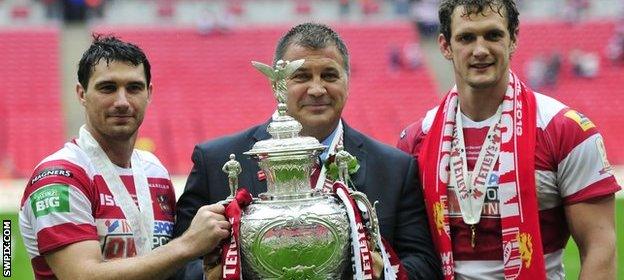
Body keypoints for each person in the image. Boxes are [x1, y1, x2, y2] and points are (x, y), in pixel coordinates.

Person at [174, 22, 442, 280]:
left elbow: (425, 265)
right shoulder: (216, 162)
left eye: (329, 75)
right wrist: (210, 276)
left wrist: (384, 270)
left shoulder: (395, 169)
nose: (317, 89)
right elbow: (179, 261)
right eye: (301, 76)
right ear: (276, 84)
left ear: (347, 81)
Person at [397, 1, 620, 279]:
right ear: (445, 46)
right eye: (466, 37)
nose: (480, 50)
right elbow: (406, 251)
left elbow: (600, 247)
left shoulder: (566, 130)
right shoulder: (416, 139)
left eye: (493, 35)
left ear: (513, 38)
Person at [18, 35, 231, 280]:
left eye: (134, 88)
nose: (122, 101)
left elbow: (161, 264)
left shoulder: (155, 171)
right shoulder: (60, 177)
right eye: (108, 88)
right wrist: (188, 245)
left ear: (148, 93)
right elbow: (82, 276)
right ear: (81, 94)